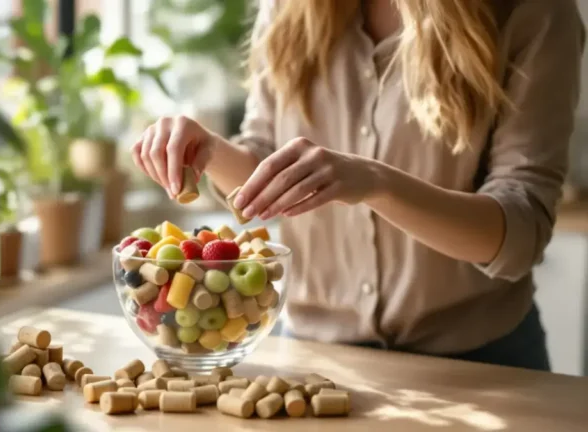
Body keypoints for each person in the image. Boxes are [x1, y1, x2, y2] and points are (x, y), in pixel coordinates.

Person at [131, 0, 585, 371]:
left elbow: (522, 229)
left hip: (482, 366)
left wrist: (376, 182)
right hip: (317, 361)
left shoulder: (533, 12)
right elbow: (264, 165)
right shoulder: (289, 11)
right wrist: (209, 151)